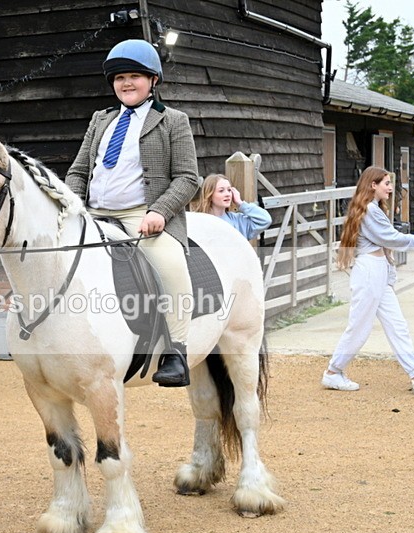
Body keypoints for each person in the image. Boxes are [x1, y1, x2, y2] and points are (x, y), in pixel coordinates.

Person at [65, 39, 200, 387]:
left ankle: (176, 351)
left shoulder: (173, 121)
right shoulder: (100, 120)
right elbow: (79, 171)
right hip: (93, 213)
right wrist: (75, 204)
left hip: (142, 216)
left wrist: (160, 211)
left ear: (153, 80)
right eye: (120, 77)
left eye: (135, 76)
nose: (126, 83)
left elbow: (188, 178)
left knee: (170, 266)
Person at [322, 166, 414, 394]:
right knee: (360, 327)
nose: (390, 188)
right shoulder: (370, 210)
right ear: (373, 185)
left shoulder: (372, 209)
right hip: (369, 273)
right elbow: (391, 238)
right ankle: (333, 372)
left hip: (379, 272)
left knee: (397, 325)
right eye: (386, 183)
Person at [195, 174, 272, 240]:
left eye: (229, 190)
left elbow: (265, 220)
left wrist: (240, 203)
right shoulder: (199, 222)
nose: (227, 194)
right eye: (221, 191)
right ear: (209, 195)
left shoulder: (238, 221)